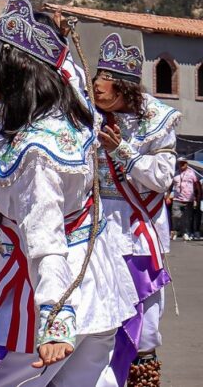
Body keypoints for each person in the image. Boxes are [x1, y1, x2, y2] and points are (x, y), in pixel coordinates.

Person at [0, 0, 137, 385]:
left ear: (10, 70)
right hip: (96, 295)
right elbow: (63, 71)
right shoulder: (69, 117)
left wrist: (55, 317)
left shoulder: (35, 152)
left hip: (46, 302)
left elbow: (45, 237)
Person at [92, 32, 183, 386]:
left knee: (143, 325)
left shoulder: (158, 123)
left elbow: (161, 179)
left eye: (106, 80)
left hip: (138, 237)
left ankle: (140, 378)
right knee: (100, 322)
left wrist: (123, 152)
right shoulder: (89, 119)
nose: (98, 87)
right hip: (96, 235)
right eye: (97, 78)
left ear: (124, 87)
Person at [171, 159, 198, 241]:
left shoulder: (192, 173)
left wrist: (197, 197)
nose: (181, 164)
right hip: (177, 198)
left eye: (183, 163)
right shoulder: (175, 173)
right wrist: (168, 195)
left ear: (187, 164)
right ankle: (176, 231)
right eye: (180, 163)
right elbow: (170, 185)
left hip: (188, 199)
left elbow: (197, 185)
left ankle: (185, 233)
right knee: (175, 216)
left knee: (187, 218)